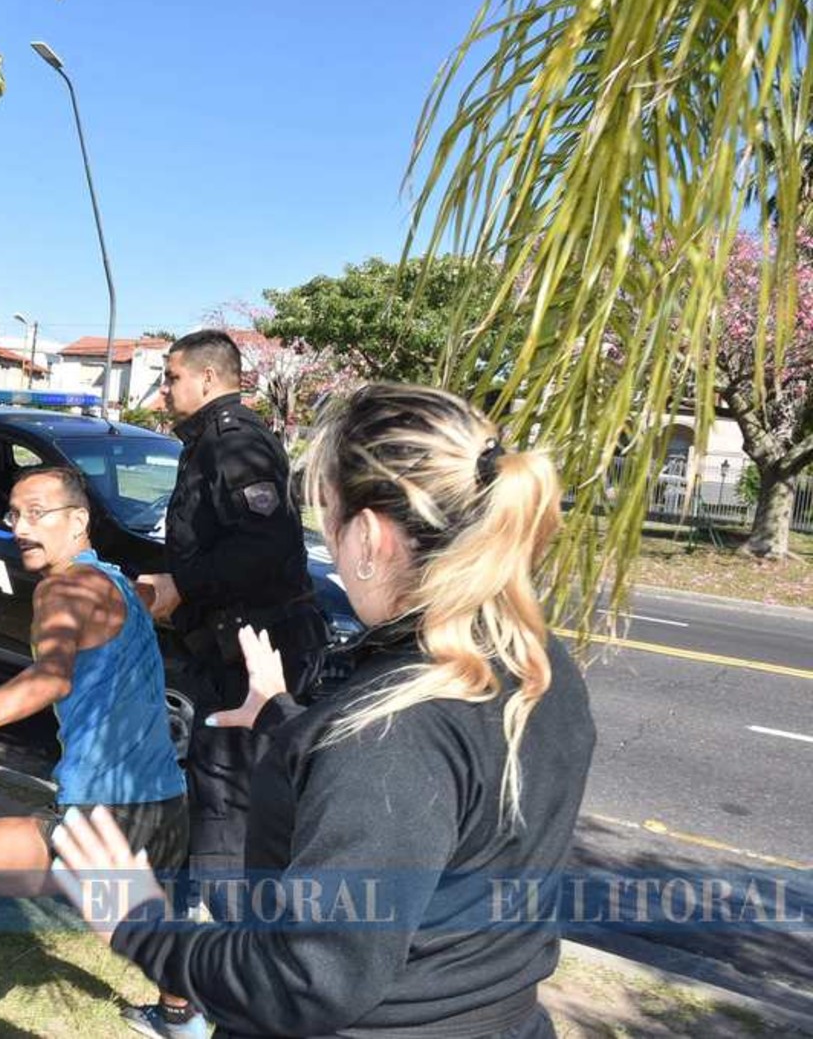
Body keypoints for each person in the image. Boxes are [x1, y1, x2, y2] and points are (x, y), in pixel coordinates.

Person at [52, 383, 597, 1038]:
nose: (331, 545)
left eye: (328, 518)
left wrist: (139, 924)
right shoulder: (536, 660)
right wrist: (287, 725)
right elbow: (446, 810)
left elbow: (309, 977)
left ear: (368, 536)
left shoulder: (386, 731)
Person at [0, 465, 191, 1039]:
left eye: (37, 514)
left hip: (103, 819)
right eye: (13, 515)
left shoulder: (63, 588)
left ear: (78, 521)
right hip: (167, 803)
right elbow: (163, 594)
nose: (20, 528)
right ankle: (182, 1016)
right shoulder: (117, 584)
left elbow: (52, 677)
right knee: (157, 909)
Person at [136, 330, 327, 920]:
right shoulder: (210, 442)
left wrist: (181, 586)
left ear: (209, 380)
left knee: (228, 798)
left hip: (257, 649)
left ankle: (216, 966)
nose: (163, 391)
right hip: (231, 643)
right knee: (226, 793)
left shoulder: (233, 442)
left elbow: (262, 548)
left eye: (171, 378)